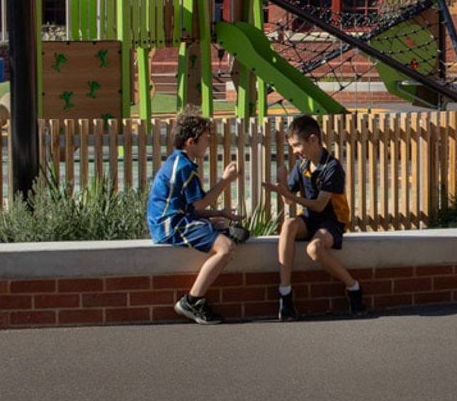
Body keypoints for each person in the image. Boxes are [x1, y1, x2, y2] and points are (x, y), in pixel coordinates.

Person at [147, 107, 246, 326]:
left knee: (233, 232)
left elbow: (196, 208)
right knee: (227, 247)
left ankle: (220, 230)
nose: (209, 143)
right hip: (171, 225)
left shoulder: (180, 163)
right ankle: (192, 300)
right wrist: (225, 180)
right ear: (191, 142)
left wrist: (219, 213)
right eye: (206, 139)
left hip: (177, 219)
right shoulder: (184, 168)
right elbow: (200, 204)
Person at [264, 115, 366, 320]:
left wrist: (289, 195)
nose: (294, 151)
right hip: (310, 219)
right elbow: (289, 202)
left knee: (314, 249)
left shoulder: (332, 167)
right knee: (289, 224)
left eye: (297, 145)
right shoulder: (302, 165)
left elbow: (320, 205)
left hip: (331, 221)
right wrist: (283, 184)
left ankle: (353, 287)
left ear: (313, 140)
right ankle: (285, 294)